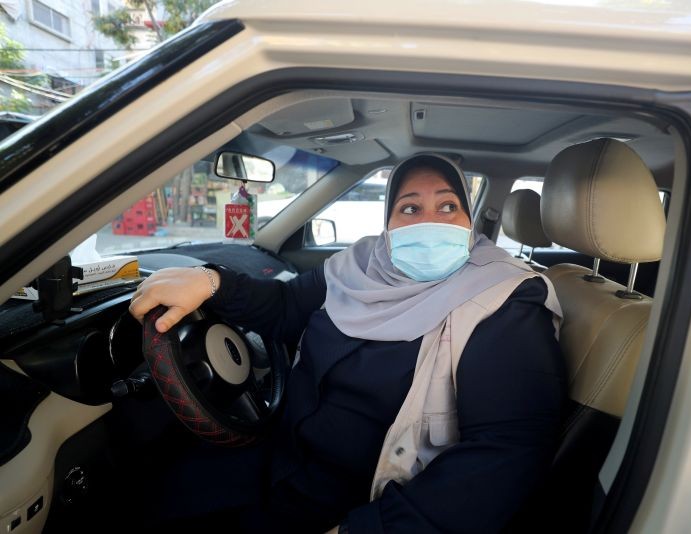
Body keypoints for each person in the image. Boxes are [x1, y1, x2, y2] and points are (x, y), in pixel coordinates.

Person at [130, 153, 566, 533]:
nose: (430, 222)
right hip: (276, 457)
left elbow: (504, 454)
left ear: (470, 222)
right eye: (409, 208)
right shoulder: (360, 262)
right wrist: (211, 283)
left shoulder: (504, 302)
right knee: (147, 503)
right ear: (389, 223)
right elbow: (285, 306)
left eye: (448, 206)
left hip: (360, 504)